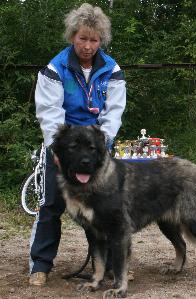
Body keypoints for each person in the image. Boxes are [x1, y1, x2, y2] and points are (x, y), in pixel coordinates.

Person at [29, 3, 126, 286]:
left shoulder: (112, 70)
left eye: (94, 40)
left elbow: (114, 112)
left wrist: (101, 147)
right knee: (51, 204)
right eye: (82, 38)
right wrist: (57, 150)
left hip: (97, 148)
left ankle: (107, 266)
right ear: (73, 36)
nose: (87, 45)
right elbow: (49, 113)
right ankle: (40, 264)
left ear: (101, 40)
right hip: (64, 144)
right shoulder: (54, 68)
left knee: (105, 208)